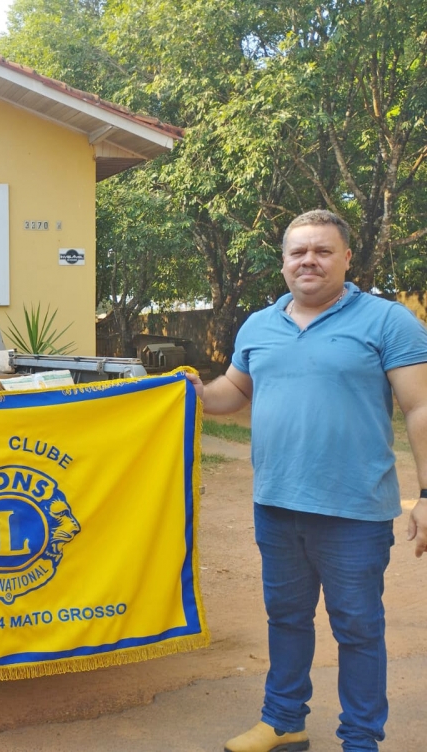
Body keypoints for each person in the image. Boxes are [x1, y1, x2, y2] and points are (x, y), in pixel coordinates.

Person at [187, 209, 427, 752]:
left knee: (358, 629)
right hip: (276, 504)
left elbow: (419, 408)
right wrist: (187, 394)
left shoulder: (388, 321)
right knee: (287, 618)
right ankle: (284, 720)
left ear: (346, 258)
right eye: (298, 253)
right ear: (284, 263)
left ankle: (361, 738)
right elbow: (234, 392)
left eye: (322, 251)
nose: (309, 261)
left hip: (354, 511)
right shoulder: (258, 324)